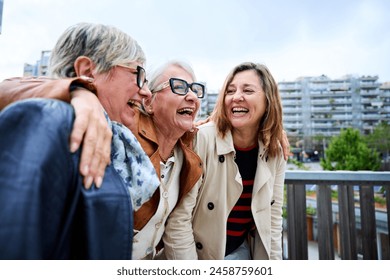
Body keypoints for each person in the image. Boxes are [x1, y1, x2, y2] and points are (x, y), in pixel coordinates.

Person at [0, 59, 204, 259]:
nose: (192, 96)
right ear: (149, 101)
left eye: (196, 89)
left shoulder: (189, 160)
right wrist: (80, 92)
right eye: (179, 87)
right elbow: (10, 87)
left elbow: (177, 230)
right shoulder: (122, 125)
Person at [0, 22, 160, 259]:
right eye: (138, 75)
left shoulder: (115, 137)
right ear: (87, 71)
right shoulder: (48, 122)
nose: (146, 91)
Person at [163, 62, 286, 260]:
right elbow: (178, 221)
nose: (236, 97)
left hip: (242, 251)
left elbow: (272, 220)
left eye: (248, 90)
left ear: (268, 100)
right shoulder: (201, 139)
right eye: (230, 91)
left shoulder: (275, 151)